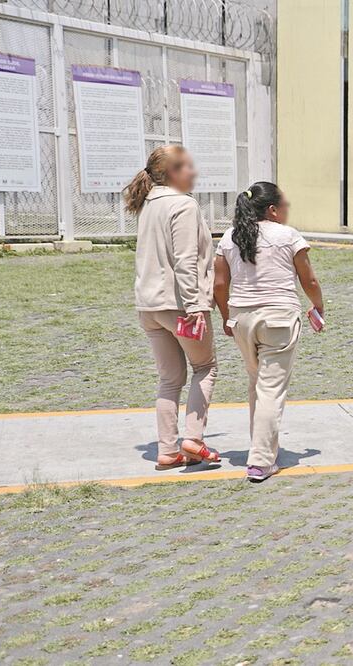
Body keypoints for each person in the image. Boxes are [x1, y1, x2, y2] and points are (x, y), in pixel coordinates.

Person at [213, 182, 324, 482]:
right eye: (285, 205)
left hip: (242, 318)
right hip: (278, 318)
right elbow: (309, 280)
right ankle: (261, 460)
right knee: (271, 389)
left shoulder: (229, 236)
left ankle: (260, 445)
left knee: (257, 383)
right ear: (273, 210)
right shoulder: (287, 236)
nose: (287, 211)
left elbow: (220, 285)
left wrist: (226, 317)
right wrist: (318, 306)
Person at [126, 145, 220, 470]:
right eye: (186, 167)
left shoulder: (148, 204)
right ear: (170, 173)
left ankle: (167, 450)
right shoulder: (183, 205)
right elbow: (185, 261)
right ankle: (193, 438)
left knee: (169, 380)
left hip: (149, 306)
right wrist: (196, 305)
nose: (193, 172)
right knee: (206, 367)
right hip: (179, 305)